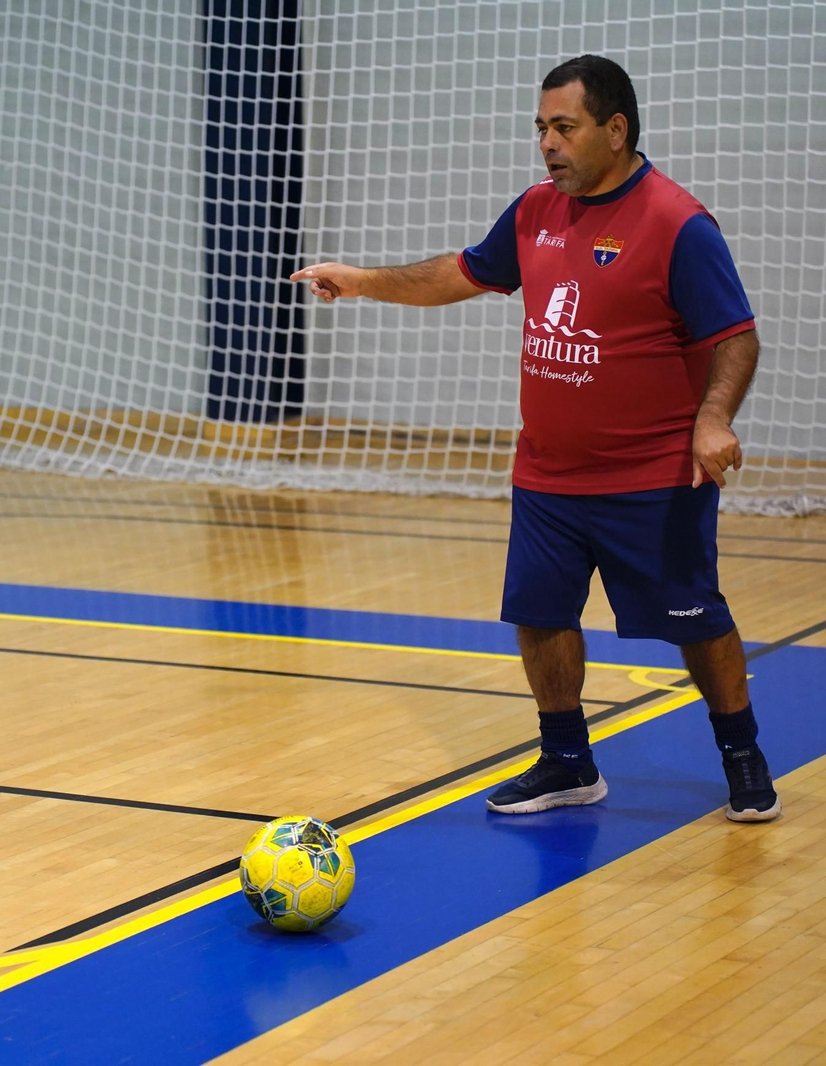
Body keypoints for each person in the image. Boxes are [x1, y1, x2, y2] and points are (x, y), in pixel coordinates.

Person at [289, 54, 780, 823]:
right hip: (548, 477)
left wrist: (713, 419)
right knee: (541, 616)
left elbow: (737, 338)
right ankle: (566, 762)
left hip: (650, 477)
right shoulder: (535, 212)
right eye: (541, 129)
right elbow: (459, 273)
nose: (548, 144)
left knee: (697, 621)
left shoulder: (678, 224)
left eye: (565, 127)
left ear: (615, 130)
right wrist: (361, 280)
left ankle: (743, 755)